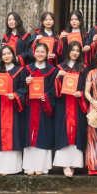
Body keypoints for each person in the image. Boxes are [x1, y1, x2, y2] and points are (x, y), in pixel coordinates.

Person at [0, 44, 27, 175]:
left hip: (13, 108)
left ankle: (11, 168)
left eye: (9, 53)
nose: (7, 56)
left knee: (13, 135)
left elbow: (24, 89)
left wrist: (15, 95)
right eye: (4, 54)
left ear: (13, 55)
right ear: (0, 57)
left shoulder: (20, 71)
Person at [23, 41, 57, 175]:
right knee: (29, 135)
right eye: (38, 51)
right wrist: (26, 83)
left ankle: (42, 167)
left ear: (47, 54)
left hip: (44, 107)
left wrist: (46, 96)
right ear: (33, 53)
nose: (40, 54)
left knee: (43, 134)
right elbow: (20, 88)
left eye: (43, 52)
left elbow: (54, 89)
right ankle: (29, 167)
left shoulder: (52, 70)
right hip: (30, 107)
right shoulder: (27, 69)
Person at [53, 41, 87, 176]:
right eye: (72, 50)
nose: (75, 53)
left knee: (77, 133)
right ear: (68, 51)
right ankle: (65, 164)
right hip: (63, 105)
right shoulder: (59, 67)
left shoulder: (83, 68)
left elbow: (86, 87)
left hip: (77, 104)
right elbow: (52, 90)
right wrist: (57, 78)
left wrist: (81, 93)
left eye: (77, 50)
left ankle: (74, 163)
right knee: (63, 133)